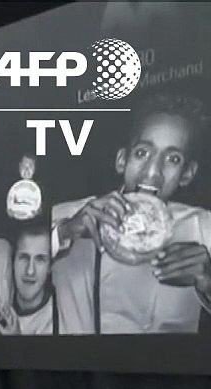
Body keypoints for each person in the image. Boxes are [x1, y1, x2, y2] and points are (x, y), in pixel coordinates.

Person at [50, 93, 211, 334]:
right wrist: (63, 232)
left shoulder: (204, 228)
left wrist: (208, 282)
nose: (152, 172)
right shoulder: (67, 217)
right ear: (122, 160)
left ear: (187, 174)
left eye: (173, 159)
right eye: (142, 153)